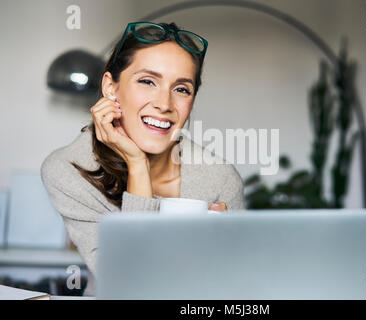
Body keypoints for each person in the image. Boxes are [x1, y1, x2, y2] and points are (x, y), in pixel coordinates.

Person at [41, 22, 245, 296]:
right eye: (148, 81)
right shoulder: (68, 170)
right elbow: (131, 283)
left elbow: (236, 291)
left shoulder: (219, 178)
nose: (164, 104)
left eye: (181, 89)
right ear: (110, 88)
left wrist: (219, 253)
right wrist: (137, 164)